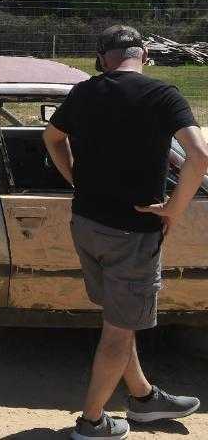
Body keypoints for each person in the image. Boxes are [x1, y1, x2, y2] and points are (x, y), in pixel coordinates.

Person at [43, 25, 208, 440]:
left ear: (101, 59)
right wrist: (174, 208)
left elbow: (51, 137)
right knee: (120, 328)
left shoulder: (83, 93)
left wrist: (76, 179)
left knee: (119, 317)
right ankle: (91, 422)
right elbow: (200, 156)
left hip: (87, 225)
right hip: (132, 233)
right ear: (145, 54)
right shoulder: (162, 94)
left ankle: (143, 397)